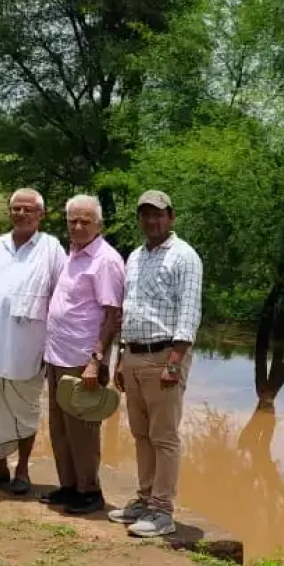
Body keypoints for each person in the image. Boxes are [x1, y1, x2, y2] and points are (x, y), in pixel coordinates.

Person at [108, 190, 203, 537]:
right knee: (140, 434)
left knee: (164, 437)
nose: (152, 220)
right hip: (134, 355)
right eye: (145, 214)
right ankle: (145, 499)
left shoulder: (184, 257)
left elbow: (189, 312)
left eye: (158, 214)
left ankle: (162, 510)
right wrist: (121, 357)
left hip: (165, 355)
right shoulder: (135, 257)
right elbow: (130, 308)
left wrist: (175, 362)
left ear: (171, 217)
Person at [0, 189, 66, 494]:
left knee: (26, 409)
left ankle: (22, 469)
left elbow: (61, 299)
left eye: (28, 209)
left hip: (29, 347)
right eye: (16, 208)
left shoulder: (51, 248)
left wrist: (53, 345)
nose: (21, 214)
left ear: (41, 215)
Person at [42, 195, 124, 515]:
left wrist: (96, 360)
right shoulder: (72, 254)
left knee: (82, 430)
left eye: (84, 221)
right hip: (57, 354)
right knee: (60, 426)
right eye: (72, 221)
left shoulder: (106, 260)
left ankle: (89, 491)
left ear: (98, 225)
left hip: (82, 359)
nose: (77, 226)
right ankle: (69, 485)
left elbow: (112, 316)